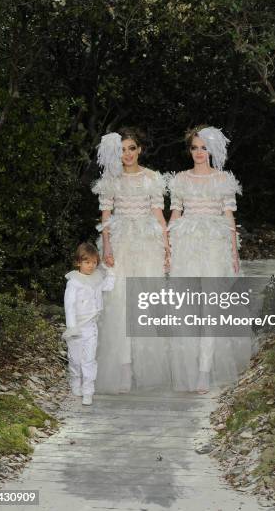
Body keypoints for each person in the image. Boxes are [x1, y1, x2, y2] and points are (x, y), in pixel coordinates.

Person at [167, 125, 251, 393]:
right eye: (194, 147)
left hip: (215, 246)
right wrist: (167, 248)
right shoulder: (180, 179)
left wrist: (234, 251)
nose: (199, 152)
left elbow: (229, 217)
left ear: (212, 150)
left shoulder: (223, 180)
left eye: (204, 147)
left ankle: (204, 370)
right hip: (186, 246)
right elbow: (175, 214)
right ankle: (189, 367)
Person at [91, 127, 170, 393]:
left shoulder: (152, 178)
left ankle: (145, 369)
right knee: (120, 303)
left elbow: (159, 215)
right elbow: (105, 217)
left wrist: (167, 248)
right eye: (122, 150)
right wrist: (107, 249)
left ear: (140, 150)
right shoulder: (111, 180)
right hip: (121, 245)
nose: (127, 154)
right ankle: (123, 371)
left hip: (147, 244)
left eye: (131, 148)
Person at [62, 242, 115, 405]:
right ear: (78, 262)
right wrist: (72, 327)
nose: (91, 266)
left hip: (91, 326)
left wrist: (111, 270)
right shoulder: (74, 282)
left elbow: (109, 285)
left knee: (89, 359)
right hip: (76, 326)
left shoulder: (97, 279)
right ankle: (75, 383)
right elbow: (69, 305)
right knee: (76, 360)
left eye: (93, 262)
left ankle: (88, 390)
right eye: (87, 262)